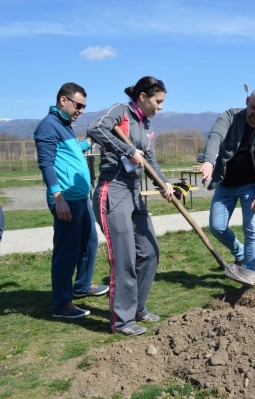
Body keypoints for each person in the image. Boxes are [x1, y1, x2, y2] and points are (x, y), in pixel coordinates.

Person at [87, 76, 174, 336]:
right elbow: (95, 128)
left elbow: (150, 160)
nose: (160, 107)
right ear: (143, 96)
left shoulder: (147, 125)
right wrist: (127, 150)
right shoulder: (120, 111)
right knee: (124, 257)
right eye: (157, 101)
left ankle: (136, 307)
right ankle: (122, 321)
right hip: (112, 191)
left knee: (149, 251)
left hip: (136, 194)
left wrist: (164, 184)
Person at [33, 82, 107, 319]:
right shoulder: (48, 126)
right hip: (65, 199)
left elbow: (73, 151)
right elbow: (46, 163)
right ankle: (61, 305)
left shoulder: (65, 125)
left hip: (80, 197)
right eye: (79, 105)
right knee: (67, 251)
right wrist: (58, 197)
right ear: (63, 100)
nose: (81, 111)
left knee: (89, 243)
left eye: (84, 106)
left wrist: (91, 141)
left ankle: (82, 286)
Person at [200, 87, 255, 287]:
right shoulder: (230, 116)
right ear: (247, 101)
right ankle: (240, 252)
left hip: (251, 186)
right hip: (225, 183)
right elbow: (216, 136)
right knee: (216, 227)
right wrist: (209, 161)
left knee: (252, 230)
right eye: (254, 108)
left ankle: (250, 272)